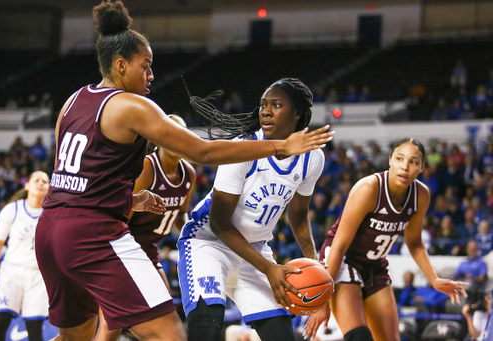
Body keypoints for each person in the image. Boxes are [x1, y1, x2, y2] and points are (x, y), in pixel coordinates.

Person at [34, 2, 334, 341]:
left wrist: (129, 197)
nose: (151, 76)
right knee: (170, 335)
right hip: (93, 233)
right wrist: (279, 146)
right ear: (120, 65)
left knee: (75, 337)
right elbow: (202, 151)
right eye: (145, 66)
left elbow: (75, 176)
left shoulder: (72, 101)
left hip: (49, 231)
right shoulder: (132, 105)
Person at [177, 78, 329, 341]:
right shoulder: (242, 148)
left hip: (254, 249)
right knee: (207, 329)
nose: (265, 111)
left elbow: (299, 218)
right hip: (208, 243)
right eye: (263, 105)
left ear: (297, 114)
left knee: (281, 337)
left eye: (276, 105)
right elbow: (220, 224)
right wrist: (269, 269)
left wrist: (314, 265)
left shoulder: (312, 158)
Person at [304, 138, 468, 341]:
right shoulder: (369, 188)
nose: (405, 166)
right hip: (343, 261)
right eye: (400, 158)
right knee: (359, 337)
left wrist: (433, 278)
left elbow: (415, 244)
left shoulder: (421, 194)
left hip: (375, 265)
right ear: (390, 160)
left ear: (421, 167)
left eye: (413, 162)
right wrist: (322, 301)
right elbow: (339, 246)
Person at [94, 114, 196, 341]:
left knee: (166, 321)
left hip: (149, 250)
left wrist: (192, 235)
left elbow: (179, 214)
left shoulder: (189, 173)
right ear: (159, 137)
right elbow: (120, 217)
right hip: (123, 249)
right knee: (111, 326)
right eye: (171, 132)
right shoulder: (148, 167)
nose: (177, 138)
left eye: (182, 133)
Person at [0, 171, 49, 341]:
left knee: (35, 330)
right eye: (36, 180)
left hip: (38, 275)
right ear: (27, 185)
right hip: (11, 271)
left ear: (50, 188)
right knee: (0, 324)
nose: (41, 183)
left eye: (45, 181)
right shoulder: (12, 209)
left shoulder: (51, 213)